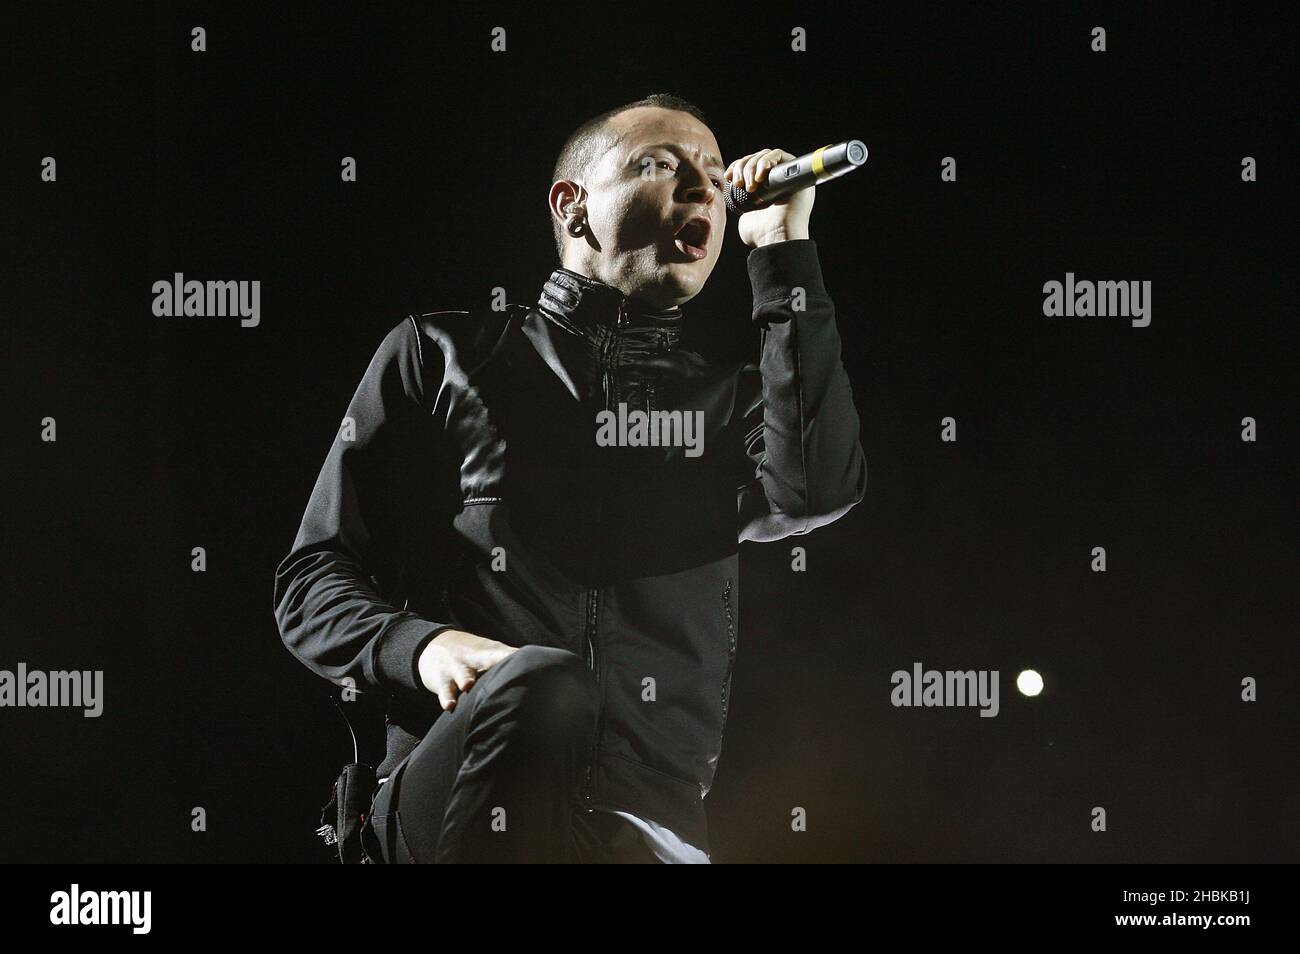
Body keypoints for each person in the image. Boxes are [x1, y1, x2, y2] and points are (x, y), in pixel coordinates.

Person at [272, 92, 867, 863]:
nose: (703, 188)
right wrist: (424, 648)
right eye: (662, 164)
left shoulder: (732, 402)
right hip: (450, 800)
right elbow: (311, 578)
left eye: (717, 177)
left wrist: (783, 248)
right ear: (572, 204)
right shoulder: (443, 356)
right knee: (543, 688)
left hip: (646, 829)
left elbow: (816, 490)